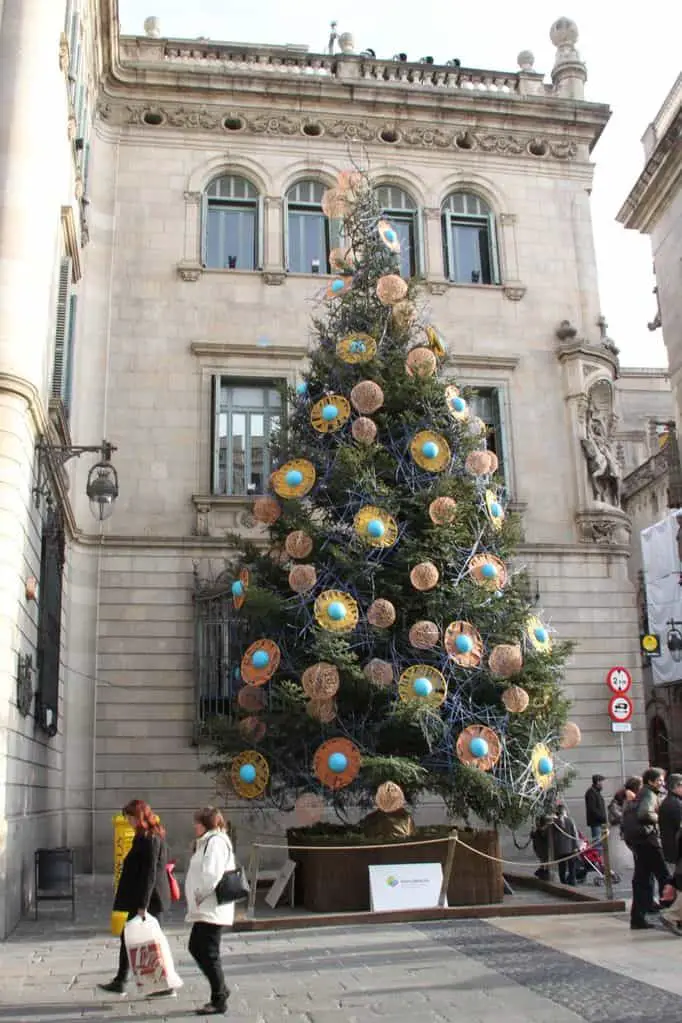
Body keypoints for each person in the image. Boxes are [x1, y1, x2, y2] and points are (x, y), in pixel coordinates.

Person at [99, 799, 172, 995]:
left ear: (138, 817)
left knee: (149, 941)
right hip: (143, 897)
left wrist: (143, 905)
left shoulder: (150, 838)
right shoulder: (144, 836)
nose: (128, 821)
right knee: (129, 937)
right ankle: (121, 980)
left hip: (149, 899)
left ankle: (164, 984)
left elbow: (150, 873)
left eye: (130, 817)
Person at [185, 807, 235, 1016]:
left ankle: (219, 998)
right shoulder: (208, 840)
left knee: (207, 951)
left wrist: (199, 893)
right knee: (198, 947)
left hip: (211, 907)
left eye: (197, 822)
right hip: (206, 908)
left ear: (206, 823)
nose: (194, 826)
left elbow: (211, 874)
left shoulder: (215, 842)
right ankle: (220, 989)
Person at [621, 767, 671, 930]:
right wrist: (661, 817)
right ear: (650, 781)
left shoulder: (643, 793)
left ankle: (638, 918)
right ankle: (673, 914)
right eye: (659, 780)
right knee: (665, 877)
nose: (662, 783)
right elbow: (644, 814)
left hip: (639, 842)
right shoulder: (649, 794)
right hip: (648, 841)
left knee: (642, 880)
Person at [551, 802, 579, 886]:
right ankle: (572, 880)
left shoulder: (554, 822)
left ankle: (563, 881)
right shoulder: (570, 821)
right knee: (571, 866)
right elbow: (574, 834)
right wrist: (576, 847)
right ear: (565, 811)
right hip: (570, 848)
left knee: (562, 866)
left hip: (560, 849)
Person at [659, 773, 682, 870]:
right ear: (676, 786)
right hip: (676, 849)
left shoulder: (669, 801)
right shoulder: (675, 803)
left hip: (671, 848)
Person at [584, 774, 607, 846]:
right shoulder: (591, 793)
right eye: (602, 782)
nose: (603, 784)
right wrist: (602, 818)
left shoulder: (596, 792)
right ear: (598, 782)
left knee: (600, 843)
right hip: (596, 823)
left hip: (599, 822)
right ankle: (597, 856)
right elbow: (592, 809)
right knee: (597, 844)